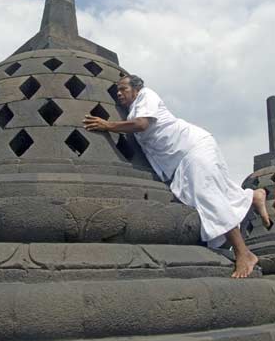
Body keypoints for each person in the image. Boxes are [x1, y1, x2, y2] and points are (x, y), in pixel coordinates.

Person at [83, 74, 271, 278]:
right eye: (117, 91)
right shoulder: (132, 111)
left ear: (136, 89)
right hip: (180, 162)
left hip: (193, 147)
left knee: (207, 197)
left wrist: (107, 125)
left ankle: (244, 253)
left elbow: (142, 124)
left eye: (123, 89)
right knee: (204, 196)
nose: (119, 93)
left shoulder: (146, 96)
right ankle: (252, 196)